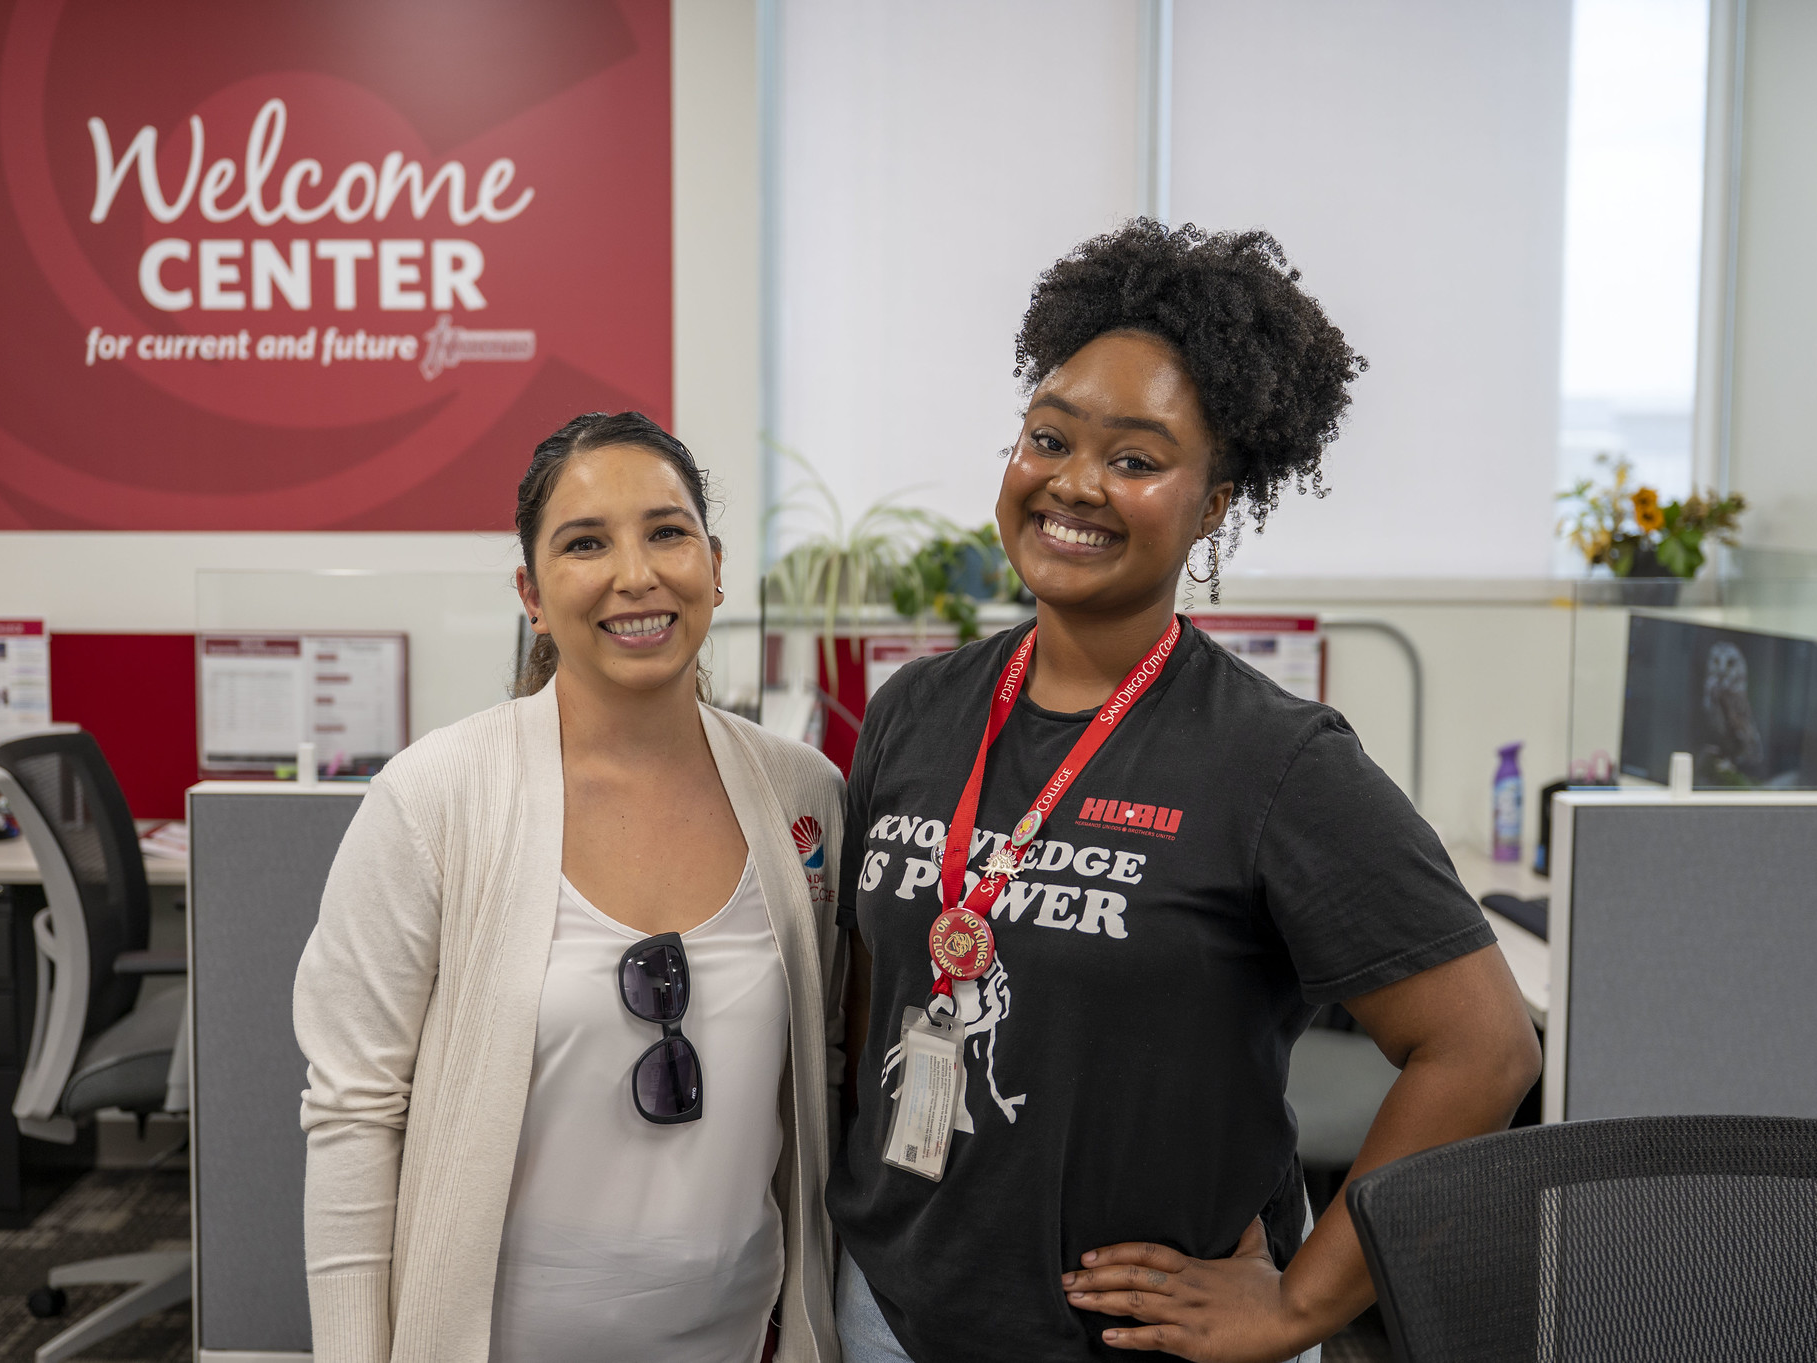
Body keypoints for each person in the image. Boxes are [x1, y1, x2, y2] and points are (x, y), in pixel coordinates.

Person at [828, 222, 1542, 1363]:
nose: (1073, 483)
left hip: (1137, 1344)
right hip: (891, 1314)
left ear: (1212, 505)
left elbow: (1484, 1047)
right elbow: (874, 993)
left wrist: (1303, 1303)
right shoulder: (916, 710)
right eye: (1047, 437)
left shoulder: (1276, 761)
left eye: (1135, 458)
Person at [294, 411, 848, 1363]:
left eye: (667, 532)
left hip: (733, 1338)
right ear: (533, 593)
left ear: (715, 567)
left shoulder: (804, 796)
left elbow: (824, 1064)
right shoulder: (435, 796)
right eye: (586, 542)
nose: (637, 574)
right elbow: (353, 1112)